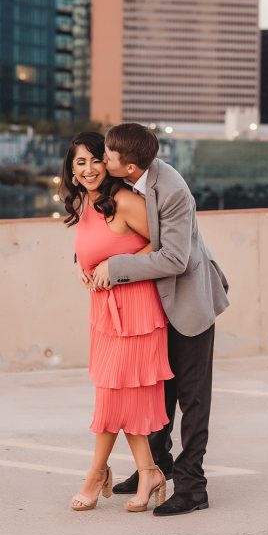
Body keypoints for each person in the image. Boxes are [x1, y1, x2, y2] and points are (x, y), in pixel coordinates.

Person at [89, 122, 229, 517]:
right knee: (157, 393)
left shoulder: (172, 190)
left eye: (109, 155)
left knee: (192, 399)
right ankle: (155, 466)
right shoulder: (122, 182)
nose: (103, 158)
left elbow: (175, 259)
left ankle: (193, 486)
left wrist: (115, 266)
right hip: (151, 309)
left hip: (188, 303)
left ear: (130, 166)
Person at [62, 132, 173, 513]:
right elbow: (96, 245)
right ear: (71, 170)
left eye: (96, 160)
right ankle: (148, 470)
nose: (89, 169)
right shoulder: (86, 203)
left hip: (136, 309)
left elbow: (162, 244)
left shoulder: (124, 200)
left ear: (108, 163)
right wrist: (82, 264)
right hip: (104, 311)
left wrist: (116, 267)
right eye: (80, 163)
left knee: (112, 394)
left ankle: (96, 473)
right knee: (121, 395)